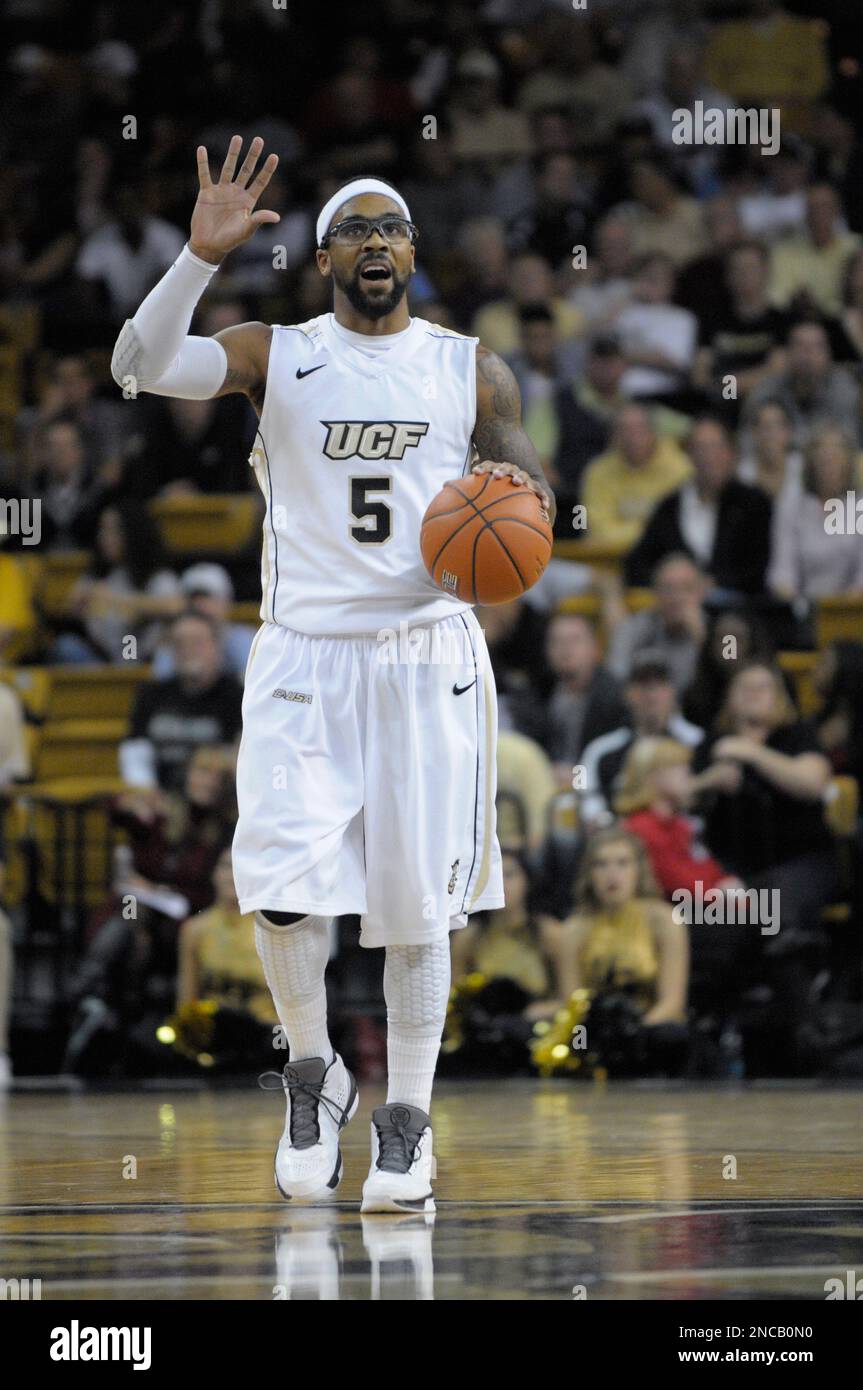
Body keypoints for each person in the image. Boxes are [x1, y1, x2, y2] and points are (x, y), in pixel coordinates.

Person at [111, 139, 555, 1214]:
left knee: (414, 912)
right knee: (275, 887)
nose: (373, 243)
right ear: (320, 260)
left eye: (389, 227)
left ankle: (406, 1116)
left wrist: (509, 498)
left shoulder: (468, 366)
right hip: (304, 651)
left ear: (414, 250)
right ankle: (310, 1071)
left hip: (424, 653)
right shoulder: (280, 352)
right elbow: (138, 364)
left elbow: (527, 493)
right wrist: (197, 260)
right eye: (351, 229)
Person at [552, 826, 690, 1074]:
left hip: (651, 1029)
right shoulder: (573, 929)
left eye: (622, 863)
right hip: (594, 1032)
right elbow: (571, 1002)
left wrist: (636, 1032)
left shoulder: (665, 920)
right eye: (601, 865)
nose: (611, 874)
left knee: (671, 1036)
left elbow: (672, 1002)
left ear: (639, 870)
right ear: (589, 874)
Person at [625, 416, 772, 597]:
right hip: (676, 608)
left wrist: (716, 583)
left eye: (716, 447)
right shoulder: (670, 506)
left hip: (739, 608)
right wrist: (673, 583)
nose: (709, 457)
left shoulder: (754, 503)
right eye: (701, 448)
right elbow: (637, 564)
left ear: (731, 452)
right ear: (689, 455)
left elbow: (761, 566)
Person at [119, 611, 243, 792]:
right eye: (179, 643)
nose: (187, 650)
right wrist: (145, 791)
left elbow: (240, 755)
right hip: (162, 796)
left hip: (216, 794)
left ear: (216, 646)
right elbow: (135, 751)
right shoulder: (152, 693)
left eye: (197, 643)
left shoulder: (236, 696)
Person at [578, 654, 704, 829]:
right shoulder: (599, 749)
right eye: (643, 687)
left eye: (659, 685)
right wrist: (609, 824)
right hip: (621, 840)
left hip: (681, 839)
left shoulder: (697, 742)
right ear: (627, 694)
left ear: (672, 691)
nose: (651, 695)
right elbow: (583, 788)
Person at [51, 499, 181, 664]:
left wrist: (116, 601)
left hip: (144, 659)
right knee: (66, 647)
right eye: (102, 530)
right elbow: (70, 608)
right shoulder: (97, 575)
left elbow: (175, 607)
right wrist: (77, 606)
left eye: (113, 531)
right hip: (104, 660)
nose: (105, 538)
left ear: (133, 531)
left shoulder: (156, 576)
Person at [616, 736, 740, 901]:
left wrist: (729, 889)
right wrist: (727, 894)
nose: (687, 772)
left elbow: (709, 870)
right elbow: (681, 885)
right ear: (653, 775)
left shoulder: (680, 825)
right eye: (678, 766)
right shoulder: (641, 829)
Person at [769, 426, 863, 602]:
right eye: (823, 458)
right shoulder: (792, 506)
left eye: (835, 457)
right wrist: (797, 602)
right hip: (801, 607)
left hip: (853, 610)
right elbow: (782, 570)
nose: (829, 465)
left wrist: (841, 607)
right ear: (811, 463)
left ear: (848, 463)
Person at [582, 403, 691, 548]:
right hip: (611, 557)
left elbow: (684, 528)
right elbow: (598, 531)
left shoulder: (681, 468)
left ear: (653, 432)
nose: (632, 437)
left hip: (667, 556)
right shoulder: (597, 472)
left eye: (639, 429)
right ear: (613, 436)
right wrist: (649, 532)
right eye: (624, 430)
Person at [606, 552, 707, 696]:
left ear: (701, 592)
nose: (676, 598)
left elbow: (731, 676)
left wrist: (703, 640)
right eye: (668, 589)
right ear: (655, 593)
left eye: (686, 588)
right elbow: (614, 679)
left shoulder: (720, 631)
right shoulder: (634, 627)